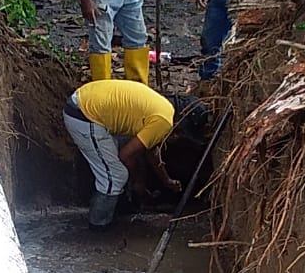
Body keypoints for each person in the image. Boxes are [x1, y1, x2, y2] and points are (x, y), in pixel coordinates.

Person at [63, 79, 207, 229]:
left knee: (121, 158)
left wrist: (166, 180)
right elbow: (126, 155)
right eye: (183, 131)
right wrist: (138, 182)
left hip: (86, 101)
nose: (179, 135)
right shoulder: (164, 122)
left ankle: (121, 207)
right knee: (115, 176)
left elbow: (151, 150)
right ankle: (98, 225)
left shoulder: (162, 106)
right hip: (84, 115)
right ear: (182, 121)